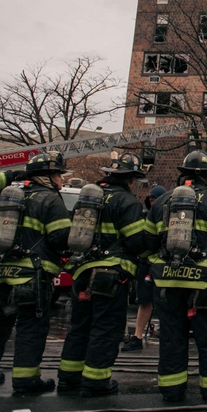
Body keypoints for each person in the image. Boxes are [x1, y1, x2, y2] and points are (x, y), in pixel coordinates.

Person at [0, 154, 71, 393]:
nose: (60, 180)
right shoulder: (50, 198)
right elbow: (59, 238)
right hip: (32, 275)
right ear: (47, 177)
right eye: (58, 175)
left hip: (1, 273)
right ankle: (27, 380)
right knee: (31, 328)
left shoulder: (11, 198)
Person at [145, 150, 207, 402]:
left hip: (166, 283)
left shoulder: (161, 202)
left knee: (171, 337)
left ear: (182, 174)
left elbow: (147, 243)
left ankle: (172, 390)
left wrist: (157, 269)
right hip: (204, 284)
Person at [57, 153, 147, 396]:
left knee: (80, 326)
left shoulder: (88, 199)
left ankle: (68, 379)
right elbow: (137, 241)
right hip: (110, 276)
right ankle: (96, 381)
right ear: (131, 180)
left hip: (82, 272)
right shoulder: (127, 202)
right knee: (106, 328)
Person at [123, 184, 166, 352]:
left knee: (165, 301)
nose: (153, 202)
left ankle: (166, 331)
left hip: (161, 265)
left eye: (156, 199)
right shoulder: (144, 217)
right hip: (146, 263)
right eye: (151, 199)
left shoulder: (167, 218)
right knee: (144, 301)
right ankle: (137, 336)